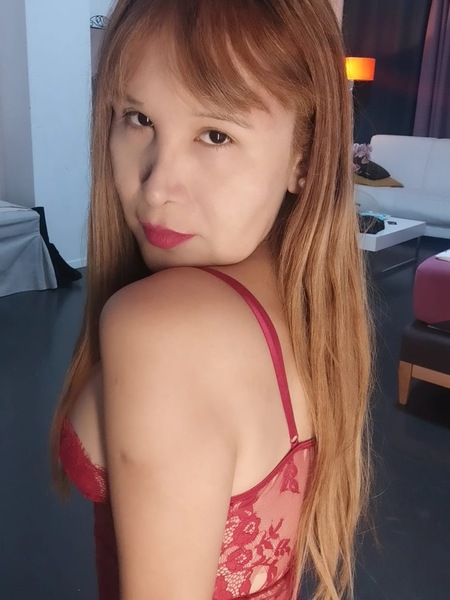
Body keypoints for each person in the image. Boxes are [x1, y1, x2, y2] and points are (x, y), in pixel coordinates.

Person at [51, 1, 372, 599]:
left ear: (304, 157)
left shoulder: (165, 331)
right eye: (138, 118)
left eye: (216, 134)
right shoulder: (302, 301)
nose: (157, 186)